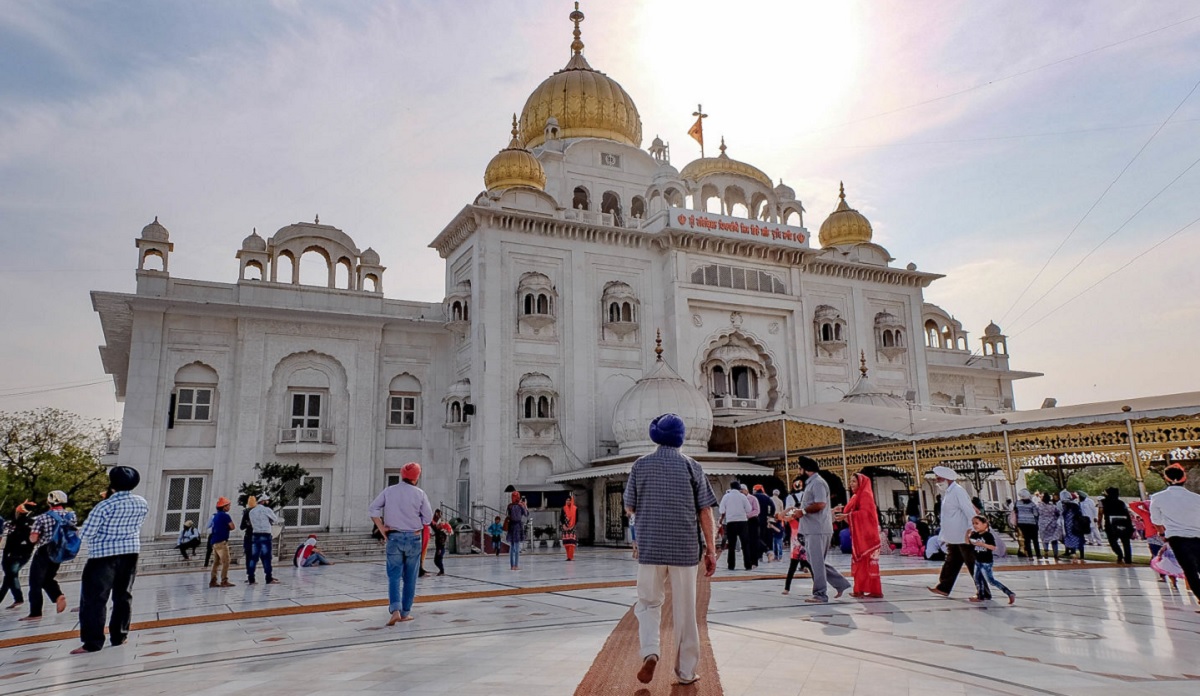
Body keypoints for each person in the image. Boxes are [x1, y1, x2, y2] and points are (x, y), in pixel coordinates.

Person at [623, 413, 718, 686]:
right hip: (685, 549)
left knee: (649, 603)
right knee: (686, 611)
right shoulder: (692, 467)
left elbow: (630, 506)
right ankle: (686, 672)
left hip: (651, 547)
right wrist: (710, 550)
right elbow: (705, 510)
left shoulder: (640, 466)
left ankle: (650, 652)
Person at [72, 466, 149, 654]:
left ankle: (93, 642)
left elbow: (88, 533)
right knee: (123, 595)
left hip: (103, 556)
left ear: (112, 484)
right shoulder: (141, 502)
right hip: (130, 553)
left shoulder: (104, 506)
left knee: (94, 599)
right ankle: (119, 636)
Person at [369, 461, 433, 625]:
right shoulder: (420, 493)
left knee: (394, 576)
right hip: (413, 538)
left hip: (394, 537)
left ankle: (395, 610)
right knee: (410, 578)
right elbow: (428, 519)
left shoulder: (389, 491)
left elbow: (373, 509)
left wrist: (382, 529)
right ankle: (405, 613)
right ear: (416, 477)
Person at [793, 457, 851, 603]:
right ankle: (840, 583)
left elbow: (820, 504)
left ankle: (820, 594)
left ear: (806, 469)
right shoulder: (811, 483)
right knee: (815, 561)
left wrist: (803, 511)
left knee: (816, 562)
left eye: (800, 469)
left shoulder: (818, 483)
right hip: (812, 528)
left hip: (817, 528)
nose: (798, 472)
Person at [1150, 462, 1200, 609]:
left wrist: (1162, 532)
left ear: (1166, 479)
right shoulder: (1196, 498)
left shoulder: (1158, 498)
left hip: (1177, 538)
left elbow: (1156, 520)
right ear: (1184, 478)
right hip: (1197, 536)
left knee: (1189, 570)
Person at [21, 490, 76, 621]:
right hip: (60, 550)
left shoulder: (43, 517)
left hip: (44, 550)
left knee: (35, 582)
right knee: (48, 578)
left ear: (50, 501)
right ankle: (57, 595)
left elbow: (33, 538)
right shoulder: (70, 516)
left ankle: (35, 612)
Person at [928, 466, 977, 597]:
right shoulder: (948, 493)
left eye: (939, 479)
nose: (937, 482)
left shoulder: (958, 491)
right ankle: (944, 587)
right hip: (953, 536)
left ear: (947, 479)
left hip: (963, 535)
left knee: (972, 564)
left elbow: (969, 511)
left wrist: (972, 529)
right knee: (951, 562)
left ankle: (983, 591)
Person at [836, 473, 883, 598]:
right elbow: (851, 511)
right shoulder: (856, 497)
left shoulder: (865, 496)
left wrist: (847, 516)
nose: (851, 484)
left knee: (867, 563)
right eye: (850, 481)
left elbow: (865, 515)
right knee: (860, 563)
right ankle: (859, 589)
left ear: (861, 483)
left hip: (868, 537)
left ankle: (874, 590)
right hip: (859, 536)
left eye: (854, 482)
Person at [968, 515, 1016, 605]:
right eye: (973, 523)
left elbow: (993, 547)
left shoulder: (988, 535)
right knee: (977, 578)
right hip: (978, 560)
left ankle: (1009, 593)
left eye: (977, 523)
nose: (975, 525)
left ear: (985, 524)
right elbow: (970, 542)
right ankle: (980, 595)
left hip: (986, 562)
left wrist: (983, 545)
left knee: (991, 580)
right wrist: (968, 535)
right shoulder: (975, 534)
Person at [1, 501, 36, 609]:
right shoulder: (14, 523)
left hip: (17, 554)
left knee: (10, 575)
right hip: (15, 553)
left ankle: (14, 598)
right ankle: (18, 598)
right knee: (11, 575)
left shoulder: (18, 524)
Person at [1130, 498, 1167, 581]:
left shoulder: (1148, 514)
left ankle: (1163, 573)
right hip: (1157, 536)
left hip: (1157, 536)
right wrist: (1143, 502)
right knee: (1160, 554)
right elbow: (1131, 505)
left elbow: (1132, 505)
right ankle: (1163, 574)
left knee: (1160, 555)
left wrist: (1142, 503)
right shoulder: (1149, 514)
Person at [247, 494, 280, 585]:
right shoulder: (267, 510)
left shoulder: (251, 512)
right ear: (263, 501)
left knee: (253, 558)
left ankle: (251, 578)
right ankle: (268, 578)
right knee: (266, 558)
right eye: (267, 500)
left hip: (255, 534)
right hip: (265, 534)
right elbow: (275, 519)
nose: (268, 502)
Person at [719, 481, 752, 570]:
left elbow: (721, 510)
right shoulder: (743, 497)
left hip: (731, 522)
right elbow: (749, 509)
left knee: (731, 545)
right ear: (739, 488)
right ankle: (748, 565)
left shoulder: (726, 497)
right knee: (745, 544)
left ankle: (731, 565)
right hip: (742, 522)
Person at [1098, 487, 1134, 564]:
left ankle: (1120, 554)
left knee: (1112, 541)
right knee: (1126, 542)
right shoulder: (1121, 503)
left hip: (1110, 524)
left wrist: (1099, 523)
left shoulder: (1102, 502)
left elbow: (1100, 513)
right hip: (1124, 523)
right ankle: (1128, 559)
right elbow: (1127, 513)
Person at [208, 497, 236, 588]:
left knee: (216, 562)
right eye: (228, 505)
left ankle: (213, 580)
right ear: (224, 507)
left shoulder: (215, 515)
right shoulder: (225, 516)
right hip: (222, 542)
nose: (229, 507)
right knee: (226, 561)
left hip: (214, 541)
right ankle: (224, 580)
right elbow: (232, 527)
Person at [1014, 489, 1042, 560]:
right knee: (1035, 540)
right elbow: (1036, 514)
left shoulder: (1017, 503)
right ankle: (1038, 554)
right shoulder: (1032, 504)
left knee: (1027, 539)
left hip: (1022, 523)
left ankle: (1030, 555)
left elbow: (1015, 512)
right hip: (1032, 523)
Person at [1060, 490, 1086, 564]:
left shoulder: (1065, 507)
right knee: (1079, 540)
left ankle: (1074, 553)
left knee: (1071, 540)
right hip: (1077, 526)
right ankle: (1081, 556)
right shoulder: (1075, 505)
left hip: (1069, 527)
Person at [505, 491, 529, 570]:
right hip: (518, 526)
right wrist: (525, 505)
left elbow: (507, 515)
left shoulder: (510, 506)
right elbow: (526, 514)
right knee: (517, 546)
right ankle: (516, 565)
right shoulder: (520, 506)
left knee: (512, 547)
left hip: (511, 526)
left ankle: (512, 566)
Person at [752, 484, 775, 566]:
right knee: (763, 537)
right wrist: (770, 515)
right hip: (764, 520)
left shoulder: (753, 497)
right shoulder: (766, 497)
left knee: (756, 537)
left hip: (754, 519)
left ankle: (761, 554)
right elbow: (772, 507)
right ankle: (764, 553)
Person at [1037, 492, 1062, 561]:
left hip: (1042, 525)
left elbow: (1036, 514)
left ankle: (1046, 551)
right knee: (1054, 539)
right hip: (1052, 525)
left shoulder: (1039, 506)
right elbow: (1058, 513)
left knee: (1045, 539)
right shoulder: (1053, 506)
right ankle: (1056, 554)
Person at [741, 485, 761, 567]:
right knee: (745, 542)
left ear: (746, 490)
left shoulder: (753, 498)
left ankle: (754, 562)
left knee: (753, 541)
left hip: (752, 520)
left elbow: (757, 510)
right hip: (743, 522)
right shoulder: (740, 499)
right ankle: (748, 562)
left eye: (742, 491)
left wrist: (747, 515)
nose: (741, 492)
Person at [430, 511, 452, 575]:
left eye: (440, 525)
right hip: (440, 548)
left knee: (437, 560)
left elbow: (441, 541)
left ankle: (442, 571)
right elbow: (433, 526)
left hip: (440, 549)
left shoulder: (441, 533)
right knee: (437, 560)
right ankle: (441, 570)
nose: (438, 524)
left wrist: (439, 549)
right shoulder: (439, 532)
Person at [239, 496, 256, 568]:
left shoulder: (246, 512)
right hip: (257, 536)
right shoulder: (258, 512)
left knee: (248, 556)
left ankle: (250, 574)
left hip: (249, 536)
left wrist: (248, 524)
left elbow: (242, 526)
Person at [561, 494, 579, 561]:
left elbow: (576, 518)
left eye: (569, 500)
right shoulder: (563, 508)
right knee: (566, 543)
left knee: (572, 543)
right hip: (565, 528)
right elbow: (561, 518)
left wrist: (572, 526)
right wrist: (563, 525)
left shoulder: (575, 509)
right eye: (567, 500)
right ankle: (568, 557)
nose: (568, 501)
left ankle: (571, 557)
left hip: (572, 528)